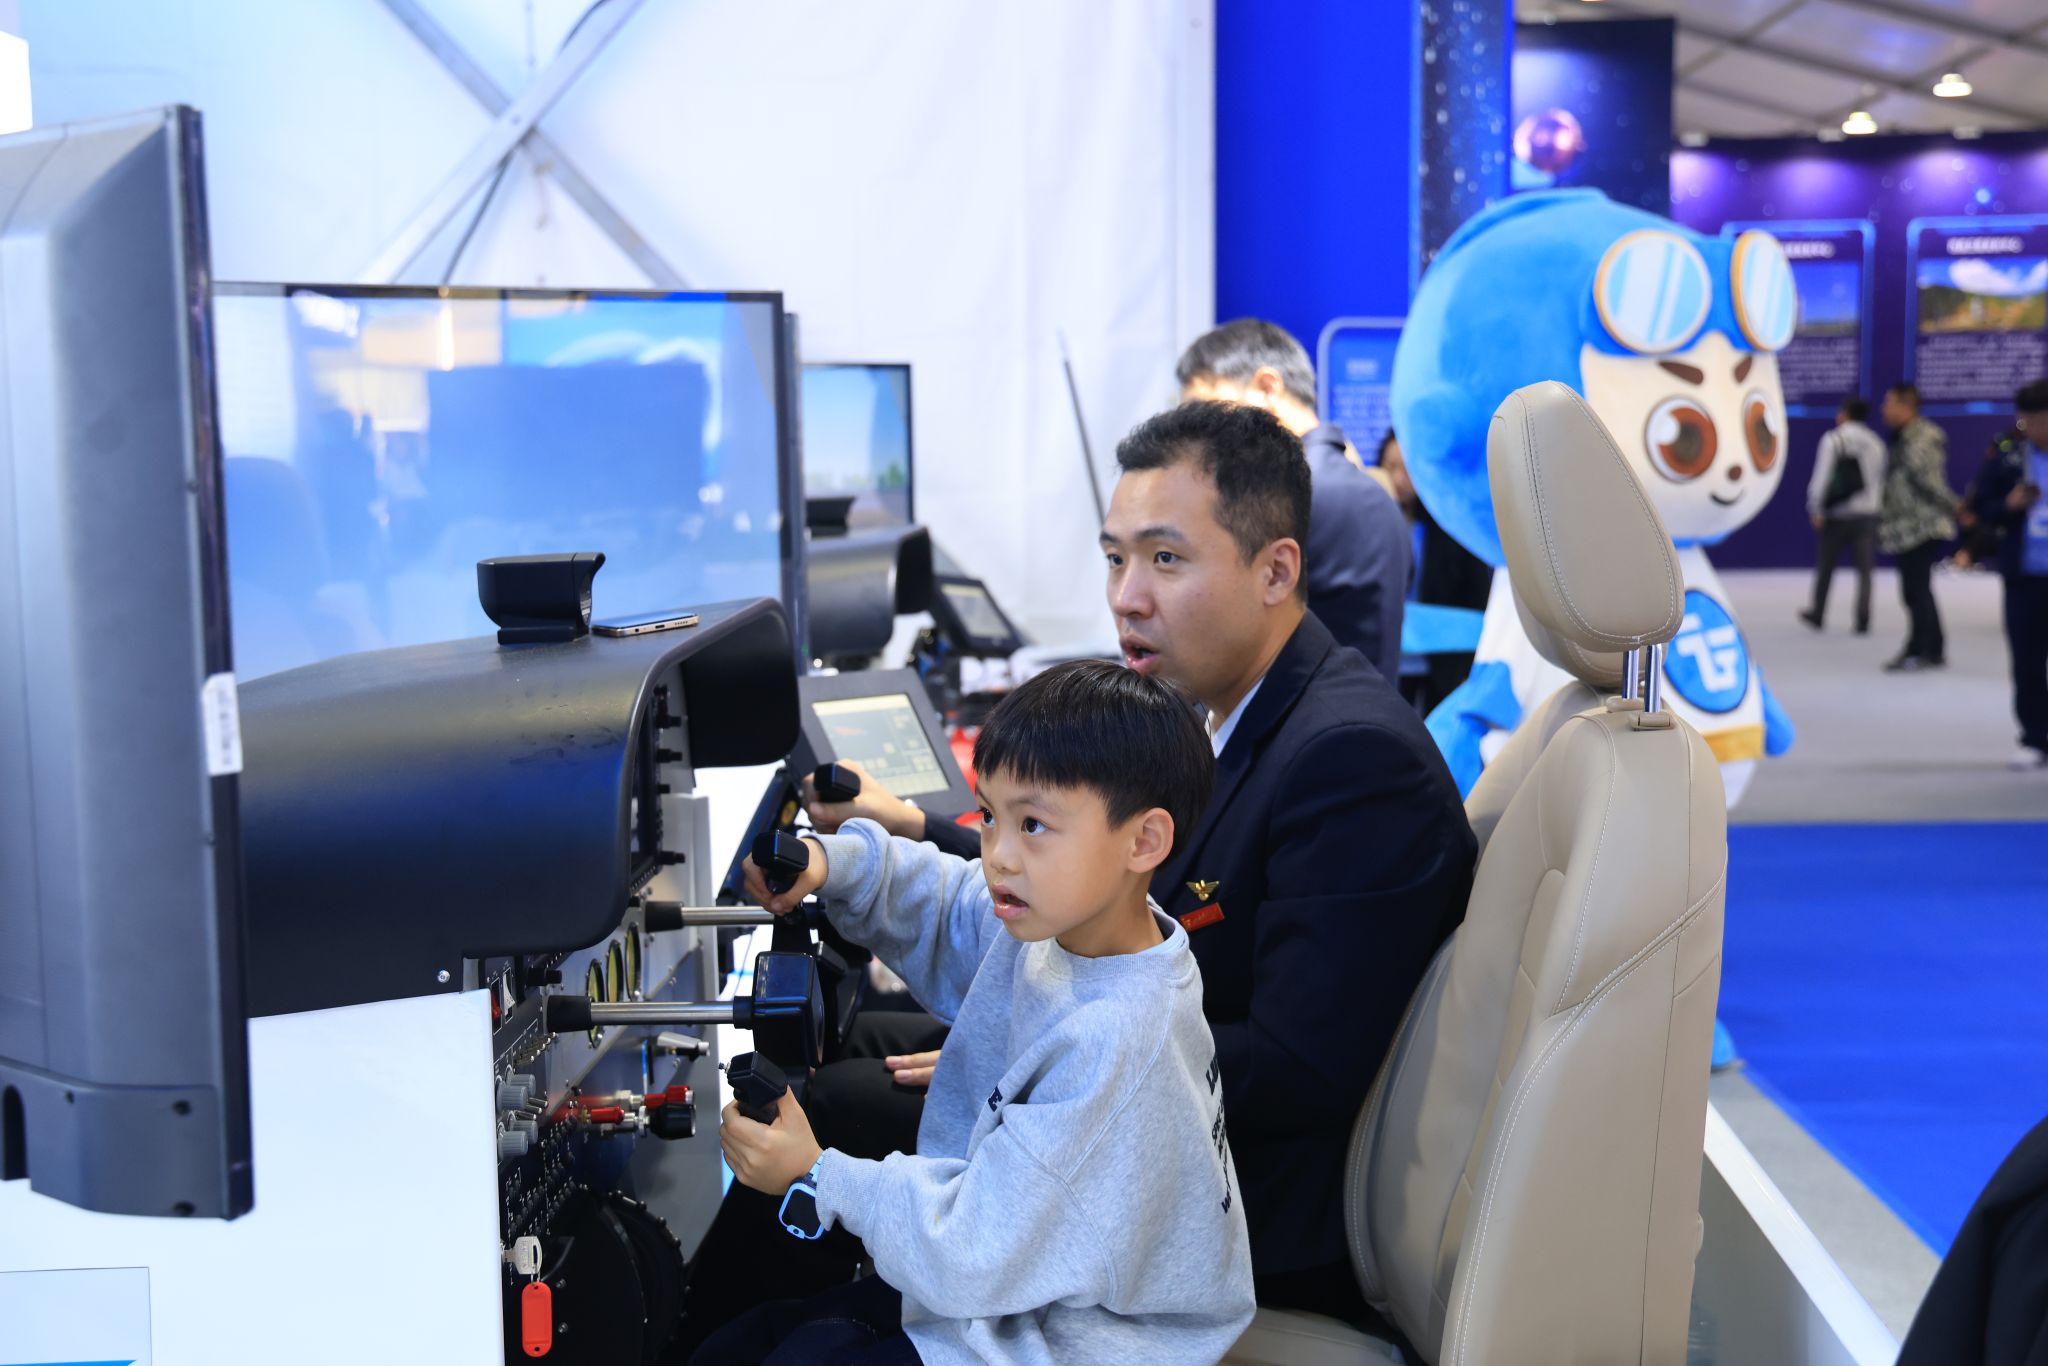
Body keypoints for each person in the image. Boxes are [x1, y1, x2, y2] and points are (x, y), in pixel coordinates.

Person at [676, 403, 1474, 1349]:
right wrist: (880, 853)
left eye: (1165, 559)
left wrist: (1029, 1059)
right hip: (1106, 1095)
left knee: (844, 1106)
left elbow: (1298, 1069)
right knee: (863, 1071)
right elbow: (1078, 883)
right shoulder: (1214, 712)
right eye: (1114, 558)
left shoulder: (1350, 758)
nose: (1127, 597)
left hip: (1204, 1194)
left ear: (1275, 570)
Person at [697, 660, 1254, 1364]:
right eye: (990, 816)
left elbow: (973, 1250)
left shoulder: (1115, 1040)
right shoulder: (1086, 927)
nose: (998, 856)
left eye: (1033, 825)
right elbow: (954, 903)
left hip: (1064, 1340)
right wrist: (833, 865)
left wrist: (816, 1175)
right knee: (742, 1345)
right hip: (1008, 1289)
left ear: (1143, 841)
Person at [1175, 319, 1410, 683]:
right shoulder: (1366, 488)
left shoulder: (1289, 493)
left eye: (1205, 411)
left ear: (1267, 387)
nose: (1201, 435)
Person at [1377, 428, 1493, 711]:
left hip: (1441, 664)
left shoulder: (1451, 526)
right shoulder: (1370, 525)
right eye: (1390, 467)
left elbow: (1475, 594)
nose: (1398, 480)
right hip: (1385, 660)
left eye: (1407, 469)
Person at [1969, 380, 2048, 770]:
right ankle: (2034, 738)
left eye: (2042, 421)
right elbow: (1980, 507)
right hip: (2024, 577)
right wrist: (2009, 504)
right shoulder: (2008, 458)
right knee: (2027, 660)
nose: (2035, 429)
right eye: (2028, 421)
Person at [1879, 383, 1960, 672]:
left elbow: (1929, 480)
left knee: (1915, 590)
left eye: (1889, 403)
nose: (1884, 409)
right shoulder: (1903, 436)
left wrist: (1955, 507)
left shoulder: (1923, 437)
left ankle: (1921, 648)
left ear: (1906, 406)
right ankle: (1932, 647)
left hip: (1922, 525)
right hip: (1906, 526)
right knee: (1917, 589)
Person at [1800, 396, 1886, 634]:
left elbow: (1822, 475)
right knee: (1865, 571)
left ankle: (1818, 612)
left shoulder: (1833, 439)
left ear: (1845, 414)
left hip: (1837, 514)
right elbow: (1880, 480)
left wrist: (1815, 506)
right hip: (1867, 514)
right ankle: (1863, 618)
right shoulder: (1876, 443)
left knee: (1826, 566)